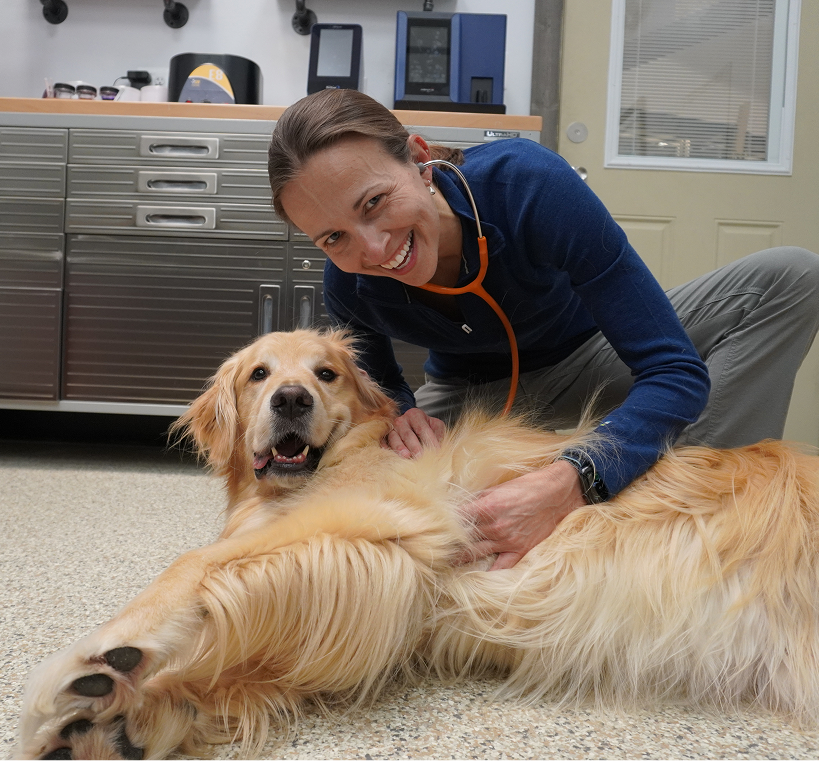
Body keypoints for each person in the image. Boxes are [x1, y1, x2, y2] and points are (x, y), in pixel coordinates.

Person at [267, 89, 819, 570]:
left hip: (593, 358)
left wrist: (576, 477)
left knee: (792, 276)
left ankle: (684, 510)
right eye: (333, 237)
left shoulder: (526, 184)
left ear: (419, 157)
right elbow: (379, 395)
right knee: (370, 485)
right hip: (471, 397)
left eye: (375, 202)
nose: (373, 247)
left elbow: (672, 370)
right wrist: (402, 414)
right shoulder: (348, 284)